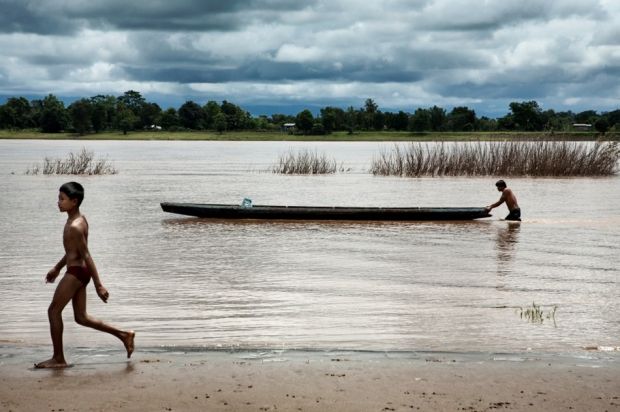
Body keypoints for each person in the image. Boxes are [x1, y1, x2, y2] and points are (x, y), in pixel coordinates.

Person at [35, 182, 134, 368]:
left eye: (62, 199)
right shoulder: (79, 219)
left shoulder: (75, 226)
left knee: (53, 311)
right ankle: (124, 335)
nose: (58, 202)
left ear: (74, 201)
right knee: (81, 317)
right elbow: (73, 251)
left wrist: (99, 285)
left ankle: (58, 358)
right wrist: (57, 268)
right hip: (79, 271)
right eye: (58, 198)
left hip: (76, 273)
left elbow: (86, 254)